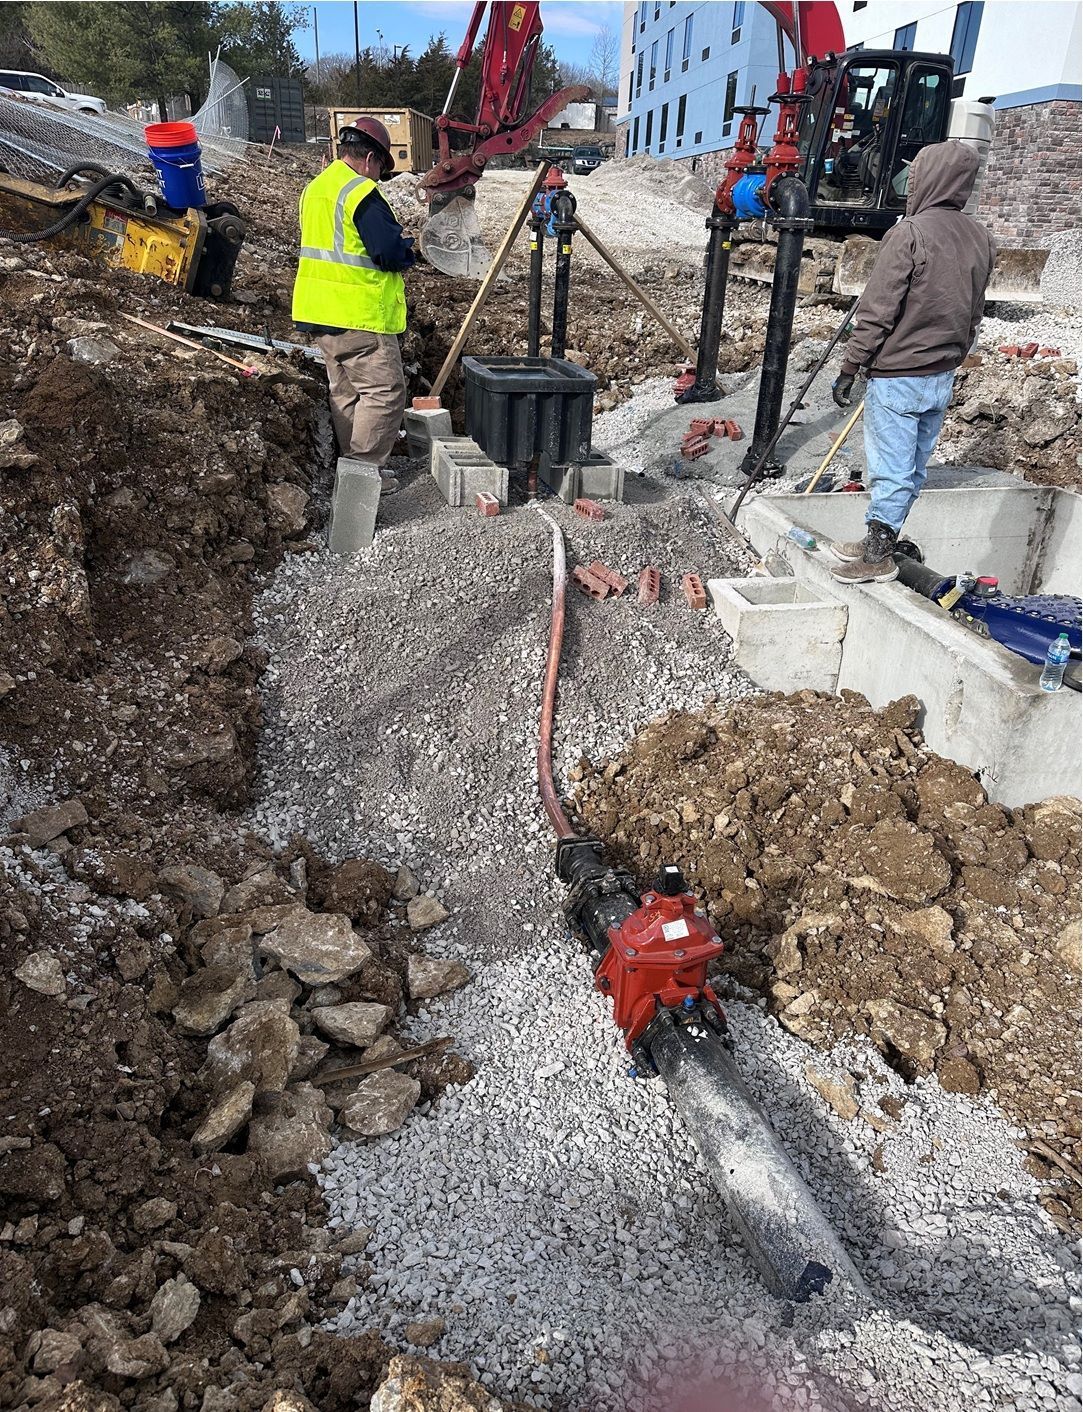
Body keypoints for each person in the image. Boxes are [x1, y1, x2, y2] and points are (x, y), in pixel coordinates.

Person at [828, 140, 996, 584]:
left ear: (928, 178)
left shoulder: (910, 234)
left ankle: (878, 556)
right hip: (941, 374)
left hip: (899, 373)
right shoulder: (979, 236)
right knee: (913, 466)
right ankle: (877, 539)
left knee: (890, 468)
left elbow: (877, 311)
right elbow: (975, 310)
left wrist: (850, 367)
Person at [293, 118, 417, 494]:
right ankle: (362, 477)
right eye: (380, 168)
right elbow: (387, 251)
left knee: (346, 395)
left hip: (320, 312)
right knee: (384, 393)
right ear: (368, 159)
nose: (378, 177)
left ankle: (353, 474)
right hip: (358, 314)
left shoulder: (316, 189)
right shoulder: (360, 191)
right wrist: (408, 248)